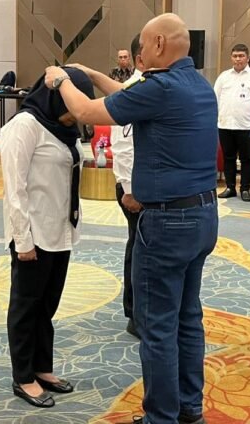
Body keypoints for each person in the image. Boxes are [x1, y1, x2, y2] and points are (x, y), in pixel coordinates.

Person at [45, 13, 218, 424]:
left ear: (158, 44)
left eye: (142, 46)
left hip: (167, 222)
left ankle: (161, 417)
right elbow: (128, 93)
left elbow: (87, 111)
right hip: (202, 216)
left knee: (157, 325)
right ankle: (188, 408)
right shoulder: (198, 84)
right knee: (187, 318)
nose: (139, 54)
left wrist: (60, 79)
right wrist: (90, 73)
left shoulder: (161, 88)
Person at [0, 67, 95, 409]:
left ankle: (41, 367)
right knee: (26, 307)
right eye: (72, 104)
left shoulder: (65, 131)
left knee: (47, 306)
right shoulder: (24, 126)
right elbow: (14, 189)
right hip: (34, 233)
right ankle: (23, 375)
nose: (76, 113)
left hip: (61, 230)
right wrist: (22, 240)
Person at [109, 34, 144, 338]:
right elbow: (122, 146)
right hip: (134, 188)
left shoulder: (153, 88)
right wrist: (130, 189)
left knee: (149, 248)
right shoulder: (130, 91)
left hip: (152, 185)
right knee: (139, 247)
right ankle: (135, 313)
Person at [213, 43, 250, 201]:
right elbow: (215, 98)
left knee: (247, 159)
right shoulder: (223, 77)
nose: (238, 59)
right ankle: (230, 187)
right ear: (231, 58)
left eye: (241, 56)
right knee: (228, 158)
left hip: (247, 126)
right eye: (235, 56)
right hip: (225, 124)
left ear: (247, 58)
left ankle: (245, 189)